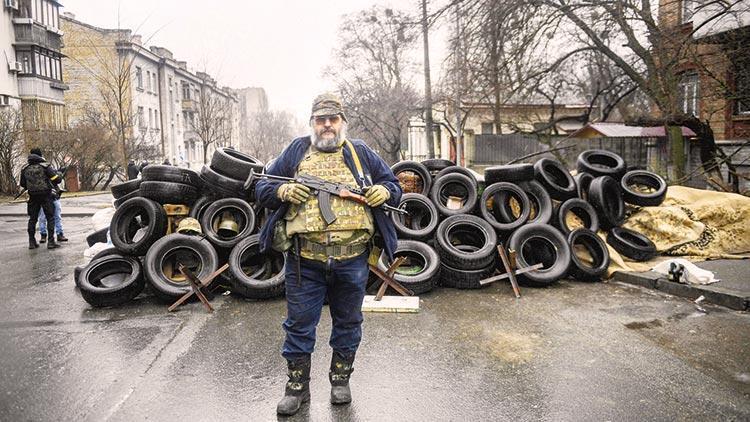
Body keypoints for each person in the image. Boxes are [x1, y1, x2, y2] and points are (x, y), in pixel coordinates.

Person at [256, 92, 402, 416]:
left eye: (332, 119)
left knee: (348, 322)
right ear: (312, 123)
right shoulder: (297, 151)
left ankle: (340, 380)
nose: (326, 125)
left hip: (352, 260)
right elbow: (262, 187)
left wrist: (385, 190)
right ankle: (296, 388)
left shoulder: (359, 152)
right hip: (304, 261)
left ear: (342, 123)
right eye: (320, 120)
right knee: (299, 325)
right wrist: (282, 190)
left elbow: (393, 184)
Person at [20, 148, 62, 250]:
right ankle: (51, 242)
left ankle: (31, 242)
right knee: (50, 218)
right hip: (46, 196)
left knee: (32, 219)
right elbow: (56, 180)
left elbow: (22, 184)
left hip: (33, 196)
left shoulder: (25, 168)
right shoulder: (45, 166)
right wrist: (59, 174)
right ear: (40, 155)